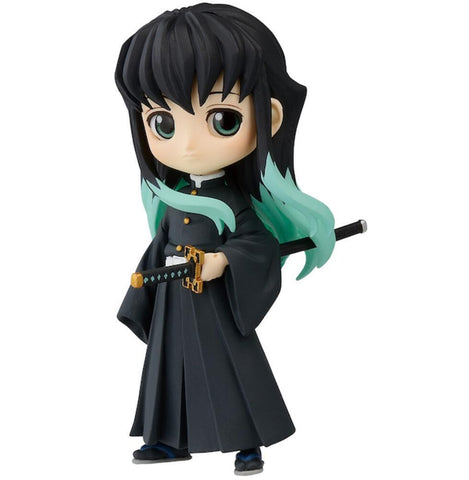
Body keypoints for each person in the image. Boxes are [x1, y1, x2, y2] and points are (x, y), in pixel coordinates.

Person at [115, 3, 335, 475]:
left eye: (222, 119)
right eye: (164, 124)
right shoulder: (174, 196)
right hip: (174, 299)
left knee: (231, 367)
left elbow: (256, 242)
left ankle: (248, 443)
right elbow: (159, 244)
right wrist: (143, 289)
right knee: (168, 368)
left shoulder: (232, 199)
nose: (188, 146)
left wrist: (225, 262)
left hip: (215, 302)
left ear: (268, 117)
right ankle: (169, 439)